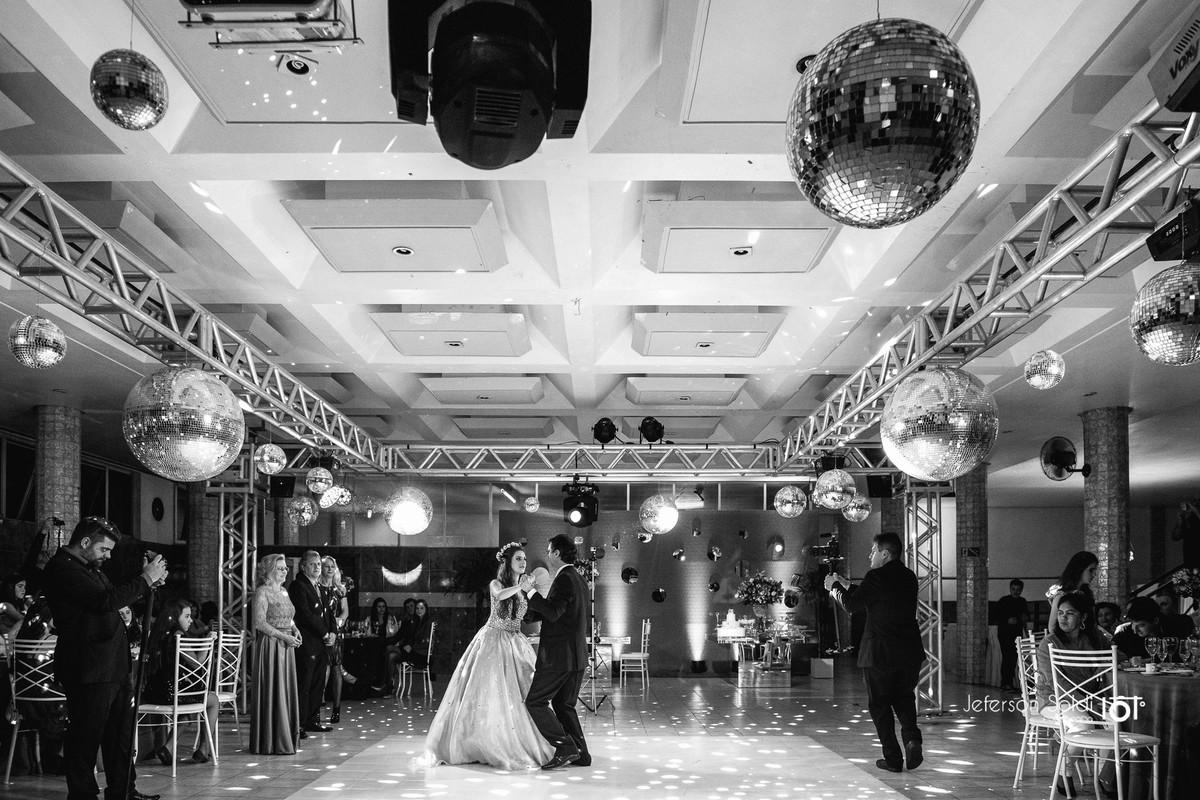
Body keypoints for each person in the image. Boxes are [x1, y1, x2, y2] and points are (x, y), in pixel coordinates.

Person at [42, 516, 166, 800]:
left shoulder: (90, 569)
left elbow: (113, 597)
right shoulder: (62, 568)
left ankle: (123, 791)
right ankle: (83, 795)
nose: (107, 556)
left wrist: (144, 585)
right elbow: (104, 601)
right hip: (89, 666)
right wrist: (145, 579)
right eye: (104, 549)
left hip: (114, 664)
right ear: (85, 542)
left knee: (120, 736)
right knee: (85, 736)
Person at [423, 542, 554, 769]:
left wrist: (531, 592)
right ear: (508, 562)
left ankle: (522, 740)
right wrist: (521, 587)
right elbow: (501, 595)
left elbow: (528, 615)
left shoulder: (523, 588)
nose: (523, 562)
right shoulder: (496, 584)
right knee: (489, 690)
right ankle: (481, 742)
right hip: (493, 640)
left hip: (516, 641)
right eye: (518, 559)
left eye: (524, 559)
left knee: (523, 693)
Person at [825, 532, 925, 774]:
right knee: (904, 697)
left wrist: (833, 587)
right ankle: (913, 739)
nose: (870, 555)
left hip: (880, 653)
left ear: (885, 553)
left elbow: (851, 605)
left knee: (879, 705)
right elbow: (877, 596)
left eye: (873, 551)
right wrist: (847, 585)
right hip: (909, 651)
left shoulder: (876, 576)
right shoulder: (909, 576)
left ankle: (893, 758)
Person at [522, 533, 590, 770]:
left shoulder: (564, 579)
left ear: (557, 553)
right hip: (576, 656)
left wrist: (530, 592)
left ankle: (565, 746)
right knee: (563, 706)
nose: (548, 554)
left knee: (535, 702)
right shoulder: (578, 578)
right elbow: (560, 613)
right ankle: (581, 755)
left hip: (559, 657)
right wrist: (529, 613)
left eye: (549, 550)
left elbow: (552, 612)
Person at [1034, 590, 1110, 798]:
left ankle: (1105, 777)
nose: (1063, 618)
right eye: (1060, 613)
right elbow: (1056, 683)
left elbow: (1115, 654)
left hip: (1091, 698)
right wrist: (1086, 702)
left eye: (1070, 613)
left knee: (1115, 722)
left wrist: (1108, 662)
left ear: (1083, 617)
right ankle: (1063, 772)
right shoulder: (1050, 643)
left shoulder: (1095, 639)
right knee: (1084, 724)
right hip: (1054, 700)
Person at [141, 598, 219, 765]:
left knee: (191, 704)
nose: (191, 620)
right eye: (187, 616)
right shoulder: (177, 635)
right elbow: (197, 664)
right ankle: (204, 748)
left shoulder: (157, 634)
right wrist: (208, 641)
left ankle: (168, 748)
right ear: (176, 617)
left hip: (151, 693)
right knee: (212, 700)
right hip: (170, 693)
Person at [250, 554, 301, 754]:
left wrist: (295, 629)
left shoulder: (284, 592)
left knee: (285, 689)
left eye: (285, 568)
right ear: (269, 571)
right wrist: (284, 636)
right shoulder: (262, 592)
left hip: (287, 645)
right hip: (271, 645)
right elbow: (259, 623)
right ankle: (273, 740)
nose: (285, 571)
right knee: (275, 689)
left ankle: (286, 735)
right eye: (280, 568)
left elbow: (289, 616)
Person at [289, 550, 333, 734]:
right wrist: (324, 633)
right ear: (303, 566)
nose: (317, 567)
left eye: (318, 564)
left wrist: (332, 632)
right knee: (304, 685)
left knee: (318, 684)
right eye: (312, 564)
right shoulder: (298, 585)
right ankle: (299, 723)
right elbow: (304, 614)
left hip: (322, 643)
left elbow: (328, 613)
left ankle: (312, 720)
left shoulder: (319, 586)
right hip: (307, 643)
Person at [318, 555, 353, 725]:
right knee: (322, 669)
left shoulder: (340, 589)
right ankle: (318, 704)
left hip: (337, 633)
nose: (330, 569)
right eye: (327, 566)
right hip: (320, 632)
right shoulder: (317, 587)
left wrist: (339, 622)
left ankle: (336, 709)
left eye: (333, 566)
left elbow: (345, 611)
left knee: (336, 668)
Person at [1047, 551, 1098, 633]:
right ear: (1080, 569)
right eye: (1091, 570)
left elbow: (1093, 624)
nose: (1094, 574)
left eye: (1095, 570)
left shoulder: (1087, 594)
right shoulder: (1061, 596)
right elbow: (1052, 628)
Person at [994, 579, 1028, 691]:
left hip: (1017, 633)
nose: (1015, 592)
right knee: (1007, 657)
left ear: (1021, 590)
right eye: (1013, 589)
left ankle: (1009, 682)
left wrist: (1024, 618)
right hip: (1005, 633)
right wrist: (1007, 620)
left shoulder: (1022, 601)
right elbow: (996, 616)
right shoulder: (1003, 601)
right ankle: (1005, 682)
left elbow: (1026, 616)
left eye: (1018, 590)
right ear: (1010, 589)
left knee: (1014, 658)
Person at [1112, 596, 1163, 661]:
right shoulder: (1123, 632)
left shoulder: (1171, 629)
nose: (1135, 631)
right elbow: (1113, 657)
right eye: (1132, 623)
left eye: (1141, 625)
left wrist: (1144, 661)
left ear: (1155, 621)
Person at [1172, 495, 1200, 569]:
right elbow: (1175, 537)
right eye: (1195, 501)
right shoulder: (1187, 520)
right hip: (1189, 558)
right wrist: (1180, 520)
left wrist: (1195, 510)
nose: (1196, 503)